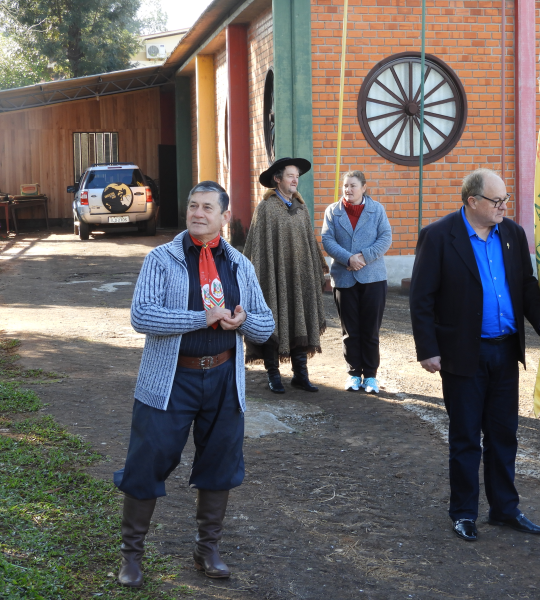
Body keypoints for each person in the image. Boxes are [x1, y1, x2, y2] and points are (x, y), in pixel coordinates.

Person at [113, 181, 274, 587]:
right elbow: (142, 317)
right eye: (192, 206)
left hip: (222, 378)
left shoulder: (239, 263)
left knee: (219, 463)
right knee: (147, 462)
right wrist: (201, 317)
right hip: (170, 380)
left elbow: (266, 325)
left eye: (207, 207)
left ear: (224, 216)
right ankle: (131, 556)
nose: (198, 213)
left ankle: (207, 550)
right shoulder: (161, 259)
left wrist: (242, 321)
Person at [409, 168, 540, 543]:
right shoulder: (438, 237)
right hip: (463, 355)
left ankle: (505, 509)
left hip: (504, 352)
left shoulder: (512, 234)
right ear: (472, 201)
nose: (503, 207)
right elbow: (421, 298)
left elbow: (525, 285)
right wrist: (428, 350)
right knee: (465, 438)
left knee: (503, 435)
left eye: (506, 200)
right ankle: (464, 513)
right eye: (496, 201)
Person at [243, 157, 328, 394]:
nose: (295, 180)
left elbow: (310, 244)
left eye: (297, 176)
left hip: (299, 278)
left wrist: (314, 270)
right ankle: (273, 375)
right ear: (277, 179)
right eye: (290, 176)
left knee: (300, 315)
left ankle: (301, 374)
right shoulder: (266, 209)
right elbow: (258, 249)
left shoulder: (301, 208)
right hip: (272, 277)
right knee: (273, 317)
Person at [321, 170, 392, 394]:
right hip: (344, 277)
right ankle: (353, 374)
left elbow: (386, 237)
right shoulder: (333, 211)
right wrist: (347, 258)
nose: (348, 190)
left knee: (370, 329)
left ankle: (370, 376)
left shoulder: (377, 209)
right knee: (349, 330)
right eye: (345, 186)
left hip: (373, 277)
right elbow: (327, 239)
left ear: (363, 187)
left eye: (353, 185)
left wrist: (363, 256)